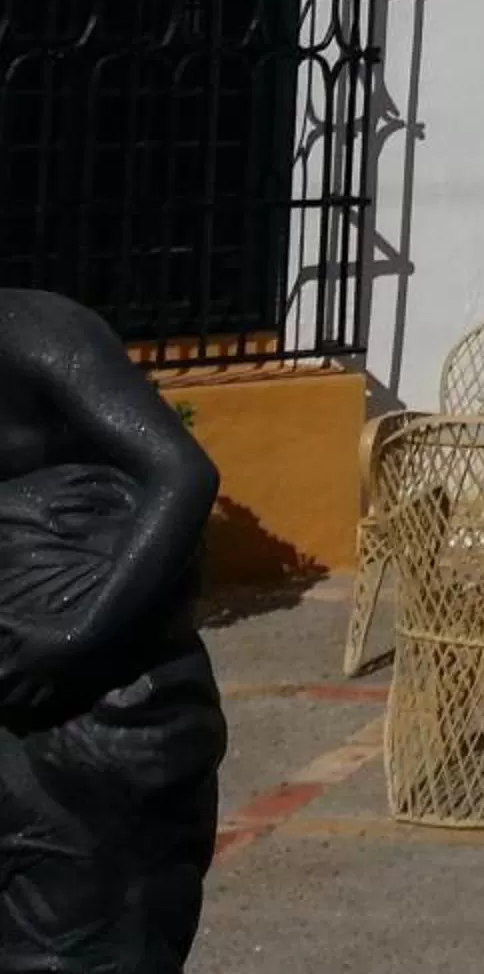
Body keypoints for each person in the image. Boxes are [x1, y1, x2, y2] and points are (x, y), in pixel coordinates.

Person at [0, 289, 224, 972]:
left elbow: (183, 473)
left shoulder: (35, 330)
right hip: (31, 726)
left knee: (89, 943)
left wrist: (77, 638)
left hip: (106, 705)